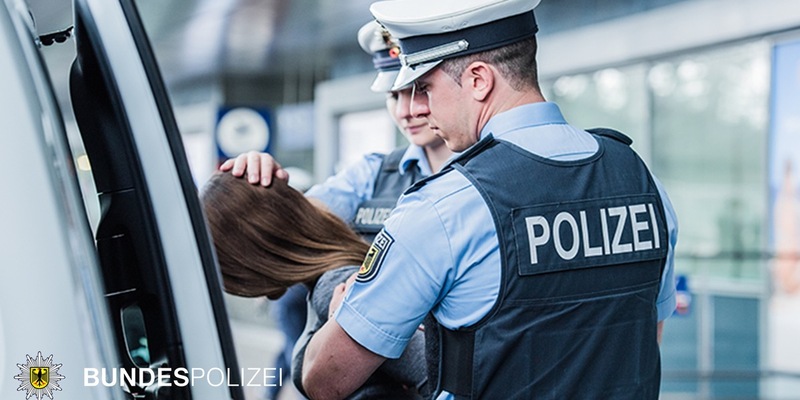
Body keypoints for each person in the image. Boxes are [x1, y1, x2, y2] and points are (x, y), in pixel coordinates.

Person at [302, 1, 680, 399]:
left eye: (425, 88)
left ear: (479, 80)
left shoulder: (445, 207)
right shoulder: (641, 181)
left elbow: (324, 380)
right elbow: (642, 339)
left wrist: (335, 301)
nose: (415, 107)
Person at [200, 172, 428, 399]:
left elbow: (438, 372)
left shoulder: (336, 289)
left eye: (226, 267)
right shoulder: (332, 284)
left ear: (252, 257)